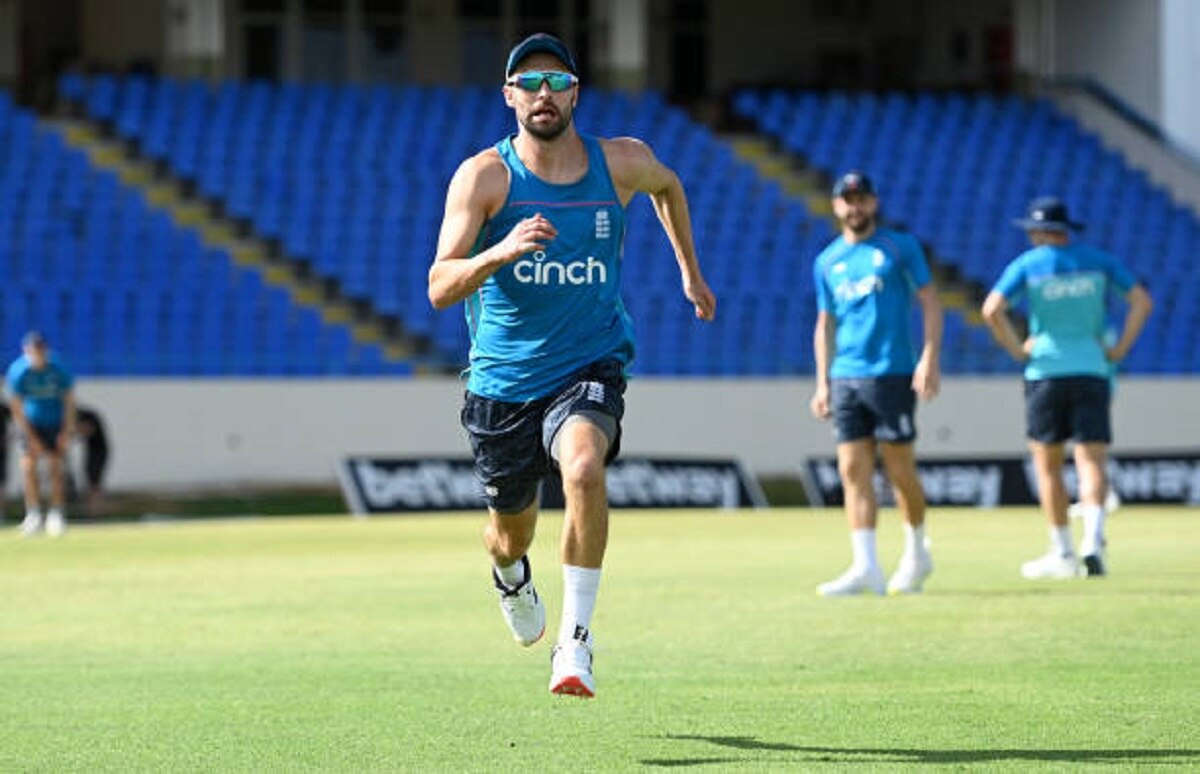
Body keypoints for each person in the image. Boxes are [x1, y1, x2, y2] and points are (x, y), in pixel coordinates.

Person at [427, 33, 716, 697]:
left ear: (576, 94)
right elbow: (440, 286)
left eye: (557, 82)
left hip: (590, 360)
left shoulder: (621, 162)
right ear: (509, 96)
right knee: (510, 535)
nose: (544, 94)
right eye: (529, 83)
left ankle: (575, 643)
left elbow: (668, 186)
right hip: (503, 385)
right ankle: (511, 576)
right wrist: (500, 252)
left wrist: (690, 272)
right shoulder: (485, 177)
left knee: (584, 468)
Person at [982, 196, 1152, 579]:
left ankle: (1062, 552)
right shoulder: (1098, 261)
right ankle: (1093, 540)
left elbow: (991, 309)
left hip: (1045, 371)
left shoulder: (1029, 265)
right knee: (1091, 460)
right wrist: (1120, 349)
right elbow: (1142, 302)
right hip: (1091, 368)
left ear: (1040, 231)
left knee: (1049, 466)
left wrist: (1018, 349)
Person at [809, 171, 943, 596]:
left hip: (892, 371)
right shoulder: (827, 261)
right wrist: (822, 382)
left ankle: (917, 552)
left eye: (862, 198)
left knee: (899, 469)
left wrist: (929, 357)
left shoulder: (899, 247)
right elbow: (825, 324)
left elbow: (930, 301)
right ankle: (866, 566)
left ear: (874, 202)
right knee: (852, 470)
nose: (855, 207)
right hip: (845, 375)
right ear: (836, 206)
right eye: (847, 200)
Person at [5, 331, 76, 537]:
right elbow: (16, 406)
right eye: (31, 351)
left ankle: (56, 514)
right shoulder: (19, 371)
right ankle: (33, 514)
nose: (36, 355)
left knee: (55, 467)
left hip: (55, 422)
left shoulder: (58, 368)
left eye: (39, 351)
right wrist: (30, 436)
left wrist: (67, 430)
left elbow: (69, 400)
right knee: (28, 467)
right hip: (31, 423)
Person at [75, 405, 110, 516]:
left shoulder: (87, 416)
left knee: (94, 482)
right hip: (91, 450)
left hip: (99, 451)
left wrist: (72, 432)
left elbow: (88, 430)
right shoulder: (83, 415)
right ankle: (91, 509)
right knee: (90, 481)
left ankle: (96, 510)